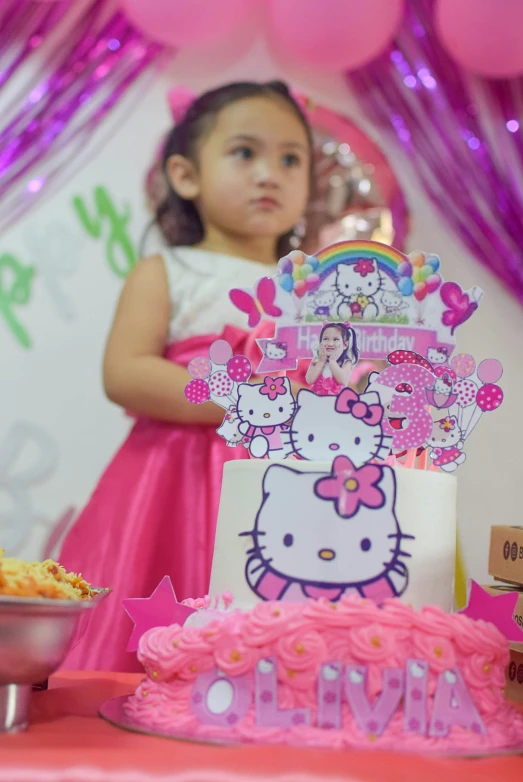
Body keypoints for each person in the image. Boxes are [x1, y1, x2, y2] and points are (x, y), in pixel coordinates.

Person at [59, 81, 313, 671]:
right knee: (150, 620)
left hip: (281, 486)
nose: (269, 174)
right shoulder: (168, 270)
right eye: (245, 153)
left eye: (290, 158)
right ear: (185, 174)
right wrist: (250, 400)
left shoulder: (313, 287)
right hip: (167, 483)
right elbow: (125, 373)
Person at [305, 322, 359, 396]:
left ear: (345, 345)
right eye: (326, 339)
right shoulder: (317, 360)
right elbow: (310, 380)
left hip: (336, 401)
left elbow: (342, 380)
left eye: (335, 339)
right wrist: (321, 361)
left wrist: (332, 361)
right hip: (317, 399)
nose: (330, 344)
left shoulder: (346, 362)